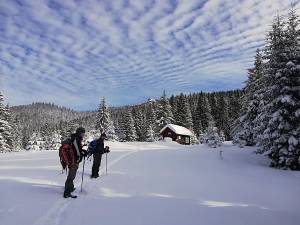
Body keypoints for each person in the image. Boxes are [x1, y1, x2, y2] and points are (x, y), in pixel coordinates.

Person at [63, 127, 87, 198]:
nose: (83, 134)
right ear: (79, 133)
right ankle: (67, 192)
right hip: (73, 161)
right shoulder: (76, 139)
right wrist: (82, 154)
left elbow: (77, 149)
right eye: (82, 133)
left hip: (73, 160)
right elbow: (77, 151)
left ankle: (70, 188)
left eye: (83, 133)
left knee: (72, 175)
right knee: (71, 176)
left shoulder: (75, 138)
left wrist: (83, 151)